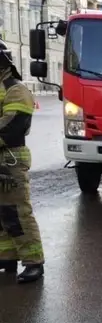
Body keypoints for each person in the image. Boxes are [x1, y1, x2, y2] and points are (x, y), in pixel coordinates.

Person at [0, 40, 44, 283]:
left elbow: (12, 127)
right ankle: (7, 256)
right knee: (1, 213)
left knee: (17, 212)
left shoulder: (16, 89)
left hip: (10, 158)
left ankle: (33, 261)